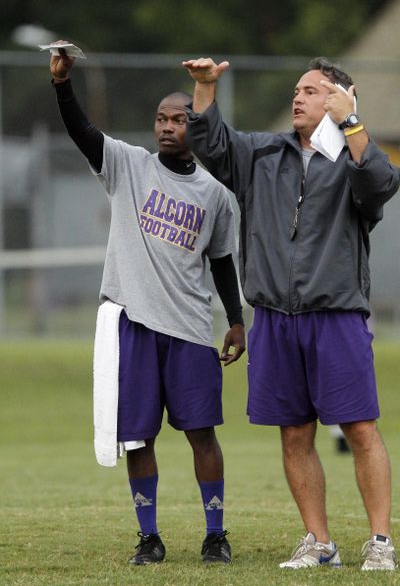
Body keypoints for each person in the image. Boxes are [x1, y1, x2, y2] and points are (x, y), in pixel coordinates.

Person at [183, 56, 399, 571]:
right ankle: (319, 543)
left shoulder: (354, 157)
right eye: (297, 89)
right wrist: (205, 88)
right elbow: (211, 143)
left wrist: (353, 124)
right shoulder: (264, 153)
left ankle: (381, 544)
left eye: (312, 90)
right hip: (275, 318)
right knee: (295, 431)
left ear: (340, 100)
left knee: (360, 429)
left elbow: (381, 184)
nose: (298, 97)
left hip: (337, 315)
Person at [49, 43, 246, 566]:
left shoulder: (216, 195)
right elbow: (82, 133)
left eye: (178, 119)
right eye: (160, 118)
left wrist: (236, 320)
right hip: (133, 326)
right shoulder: (129, 166)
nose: (166, 127)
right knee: (137, 438)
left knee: (202, 433)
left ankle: (215, 534)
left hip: (187, 330)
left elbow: (223, 262)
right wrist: (62, 83)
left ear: (194, 127)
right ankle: (149, 537)